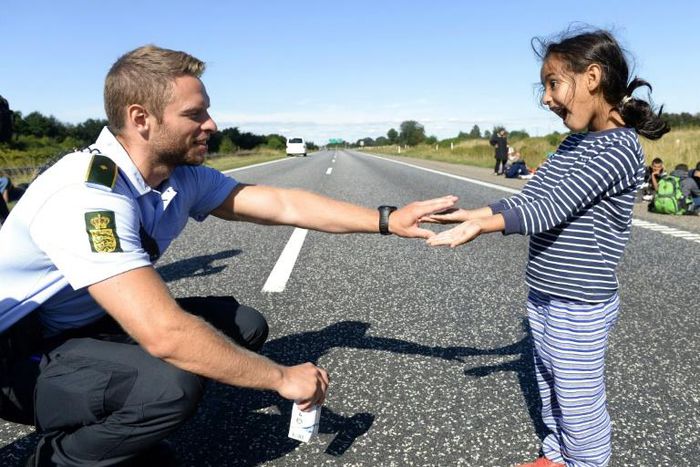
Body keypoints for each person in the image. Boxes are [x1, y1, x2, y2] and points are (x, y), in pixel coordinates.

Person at [0, 45, 457, 466]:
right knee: (168, 387)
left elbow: (283, 205)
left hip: (81, 325)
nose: (212, 125)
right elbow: (164, 334)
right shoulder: (89, 195)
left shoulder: (177, 176)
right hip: (16, 354)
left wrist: (387, 220)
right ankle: (58, 458)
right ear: (141, 118)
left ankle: (120, 415)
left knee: (243, 326)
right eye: (195, 113)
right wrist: (280, 378)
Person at [423, 29, 669, 467]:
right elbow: (534, 196)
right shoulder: (576, 142)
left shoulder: (618, 149)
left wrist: (485, 228)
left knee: (579, 399)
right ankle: (557, 454)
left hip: (580, 299)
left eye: (553, 84)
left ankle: (587, 461)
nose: (546, 99)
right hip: (546, 289)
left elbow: (553, 207)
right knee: (549, 380)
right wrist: (476, 214)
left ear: (591, 77)